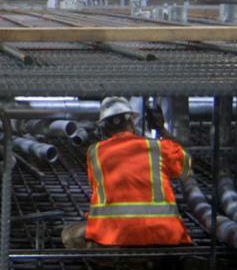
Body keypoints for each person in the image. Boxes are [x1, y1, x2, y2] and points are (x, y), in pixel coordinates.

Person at [61, 97, 192, 248]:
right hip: (165, 236)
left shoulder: (95, 152)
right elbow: (186, 167)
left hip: (115, 237)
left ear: (104, 128)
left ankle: (124, 262)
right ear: (131, 122)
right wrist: (161, 129)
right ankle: (159, 262)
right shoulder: (158, 147)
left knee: (70, 235)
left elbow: (98, 193)